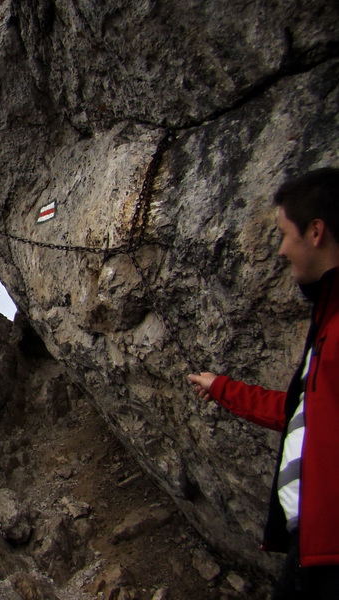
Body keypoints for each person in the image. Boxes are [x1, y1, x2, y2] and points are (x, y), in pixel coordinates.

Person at [188, 168, 339, 599]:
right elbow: (303, 412)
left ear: (315, 232)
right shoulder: (327, 324)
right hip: (311, 552)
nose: (280, 249)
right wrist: (222, 388)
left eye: (283, 233)